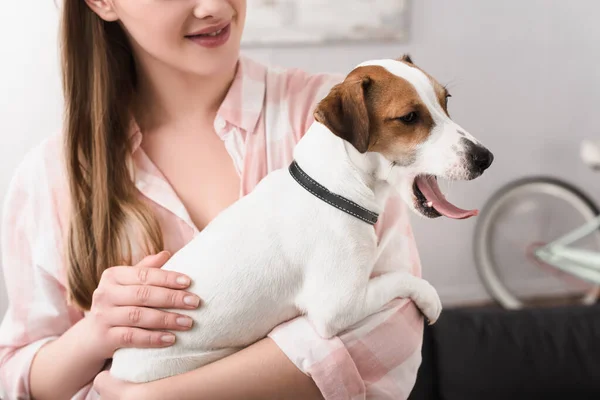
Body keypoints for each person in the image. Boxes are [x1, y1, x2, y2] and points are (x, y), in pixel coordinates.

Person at [0, 0, 425, 399]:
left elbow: (394, 328)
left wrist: (160, 394)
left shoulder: (338, 116)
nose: (217, 7)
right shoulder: (50, 178)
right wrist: (96, 333)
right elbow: (18, 377)